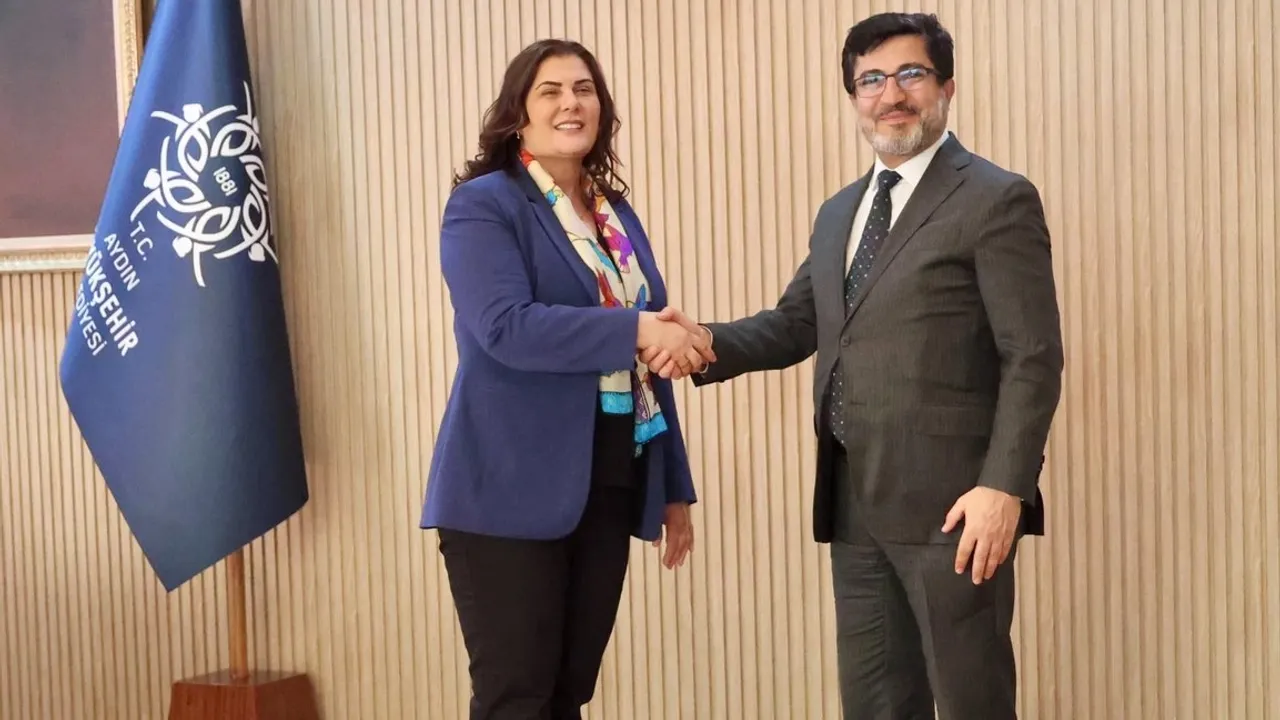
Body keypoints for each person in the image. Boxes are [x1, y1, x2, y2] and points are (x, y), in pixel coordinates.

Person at [645, 12, 1063, 720]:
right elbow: (796, 324)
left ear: (946, 87)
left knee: (972, 701)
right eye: (871, 80)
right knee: (874, 704)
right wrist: (703, 340)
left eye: (910, 74)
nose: (890, 94)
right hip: (852, 506)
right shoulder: (841, 212)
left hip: (956, 510)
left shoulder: (995, 198)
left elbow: (1034, 356)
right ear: (853, 97)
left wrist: (1005, 487)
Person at [418, 39, 714, 720]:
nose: (570, 103)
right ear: (517, 112)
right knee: (518, 698)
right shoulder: (483, 205)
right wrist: (638, 329)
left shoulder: (612, 213)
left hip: (609, 477)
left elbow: (648, 350)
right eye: (549, 91)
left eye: (584, 89)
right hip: (506, 487)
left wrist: (671, 484)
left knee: (568, 692)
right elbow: (506, 327)